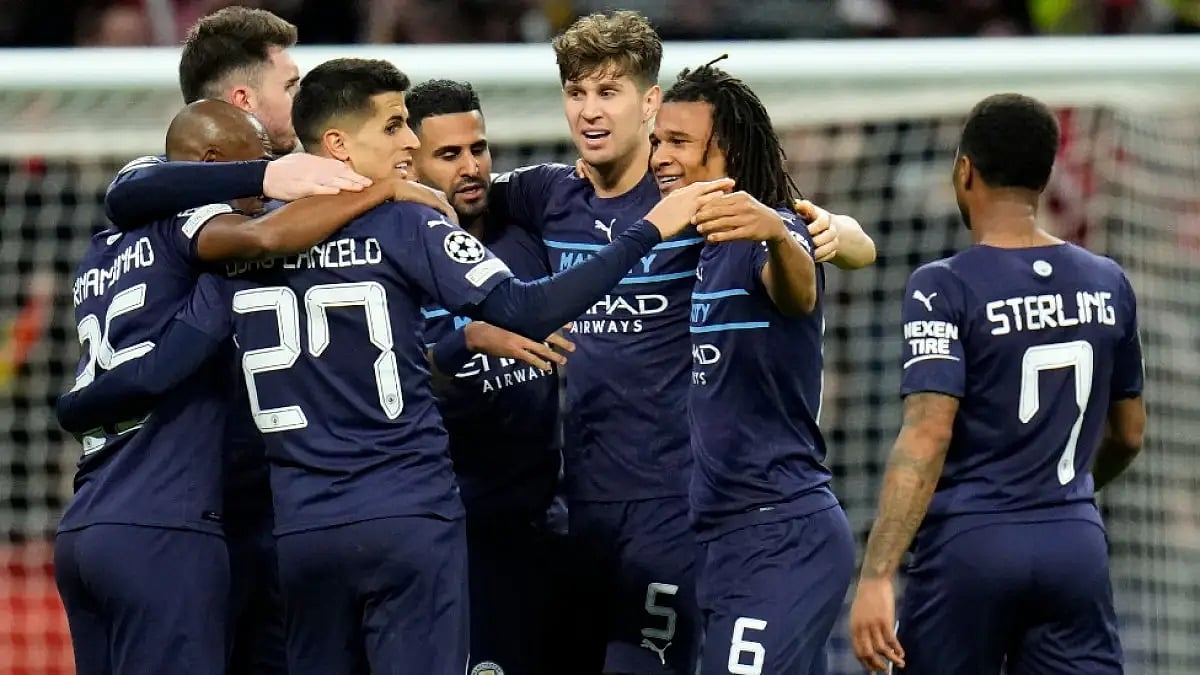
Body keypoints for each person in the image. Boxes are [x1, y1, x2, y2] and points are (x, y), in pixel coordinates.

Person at [221, 57, 730, 675]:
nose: (412, 146)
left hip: (311, 523)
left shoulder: (244, 240)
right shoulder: (409, 225)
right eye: (396, 129)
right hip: (423, 515)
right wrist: (646, 231)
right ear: (338, 143)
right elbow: (520, 309)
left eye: (478, 149)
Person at [487, 12, 876, 673]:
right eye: (577, 93)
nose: (589, 111)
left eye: (607, 93)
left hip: (679, 506)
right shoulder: (548, 193)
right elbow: (445, 210)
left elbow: (807, 242)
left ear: (649, 102)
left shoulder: (697, 202)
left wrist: (838, 229)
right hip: (580, 501)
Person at [53, 98, 412, 675]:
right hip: (164, 527)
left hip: (86, 526)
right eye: (261, 159)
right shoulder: (193, 225)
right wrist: (379, 191)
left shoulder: (101, 251)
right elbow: (265, 239)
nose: (271, 175)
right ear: (213, 161)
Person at [849, 93, 1146, 674]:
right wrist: (1061, 495)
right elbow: (1130, 434)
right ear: (1045, 175)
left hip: (970, 543)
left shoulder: (943, 286)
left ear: (965, 171)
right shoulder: (1109, 282)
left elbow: (928, 433)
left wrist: (878, 574)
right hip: (1074, 541)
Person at [651, 59, 856, 675]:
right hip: (723, 539)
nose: (660, 155)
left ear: (728, 150)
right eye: (658, 140)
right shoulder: (700, 250)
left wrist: (777, 232)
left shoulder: (770, 234)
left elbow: (799, 293)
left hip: (781, 530)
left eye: (679, 142)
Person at [406, 78, 570, 675]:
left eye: (478, 148)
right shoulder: (395, 253)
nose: (472, 167)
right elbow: (396, 380)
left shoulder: (525, 232)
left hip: (550, 523)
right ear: (410, 161)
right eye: (449, 155)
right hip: (458, 534)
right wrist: (464, 340)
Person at [105, 6, 372, 231]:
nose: (301, 101)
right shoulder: (165, 180)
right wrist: (266, 176)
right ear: (245, 100)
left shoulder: (309, 175)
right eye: (288, 87)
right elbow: (123, 194)